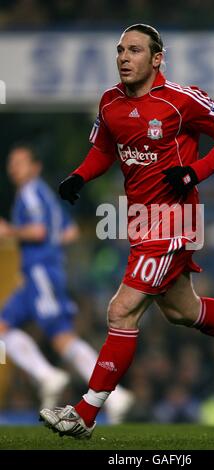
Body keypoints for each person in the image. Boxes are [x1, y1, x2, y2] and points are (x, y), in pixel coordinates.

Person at [39, 24, 214, 439]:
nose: (123, 57)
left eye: (135, 50)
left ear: (157, 59)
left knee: (121, 310)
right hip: (141, 224)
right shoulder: (109, 103)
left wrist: (194, 172)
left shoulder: (181, 100)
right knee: (182, 311)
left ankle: (84, 414)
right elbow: (104, 149)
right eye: (120, 49)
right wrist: (79, 176)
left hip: (175, 221)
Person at [0, 144, 134, 423]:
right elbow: (69, 233)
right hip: (39, 274)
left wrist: (10, 231)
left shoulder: (31, 194)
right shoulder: (44, 195)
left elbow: (39, 231)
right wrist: (47, 250)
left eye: (20, 162)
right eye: (12, 162)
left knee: (61, 337)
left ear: (35, 167)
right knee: (3, 326)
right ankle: (48, 376)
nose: (13, 167)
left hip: (41, 273)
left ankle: (113, 393)